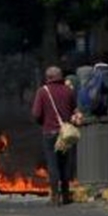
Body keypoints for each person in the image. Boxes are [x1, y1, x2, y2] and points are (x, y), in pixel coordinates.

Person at [32, 66, 78, 206]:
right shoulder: (68, 91)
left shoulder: (43, 91)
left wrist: (43, 122)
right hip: (65, 133)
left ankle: (54, 197)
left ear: (48, 78)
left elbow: (36, 114)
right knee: (64, 164)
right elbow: (74, 110)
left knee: (53, 164)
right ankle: (65, 195)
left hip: (49, 133)